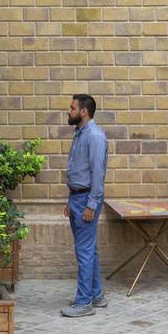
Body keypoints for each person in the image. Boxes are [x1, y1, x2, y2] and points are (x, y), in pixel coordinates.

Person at [60, 94, 109, 318]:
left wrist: (90, 205)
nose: (68, 111)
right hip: (77, 198)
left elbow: (98, 174)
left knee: (84, 251)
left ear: (83, 112)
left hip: (86, 199)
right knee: (89, 249)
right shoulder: (80, 133)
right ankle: (96, 295)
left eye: (72, 108)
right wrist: (70, 200)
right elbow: (77, 170)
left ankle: (84, 303)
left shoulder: (95, 136)